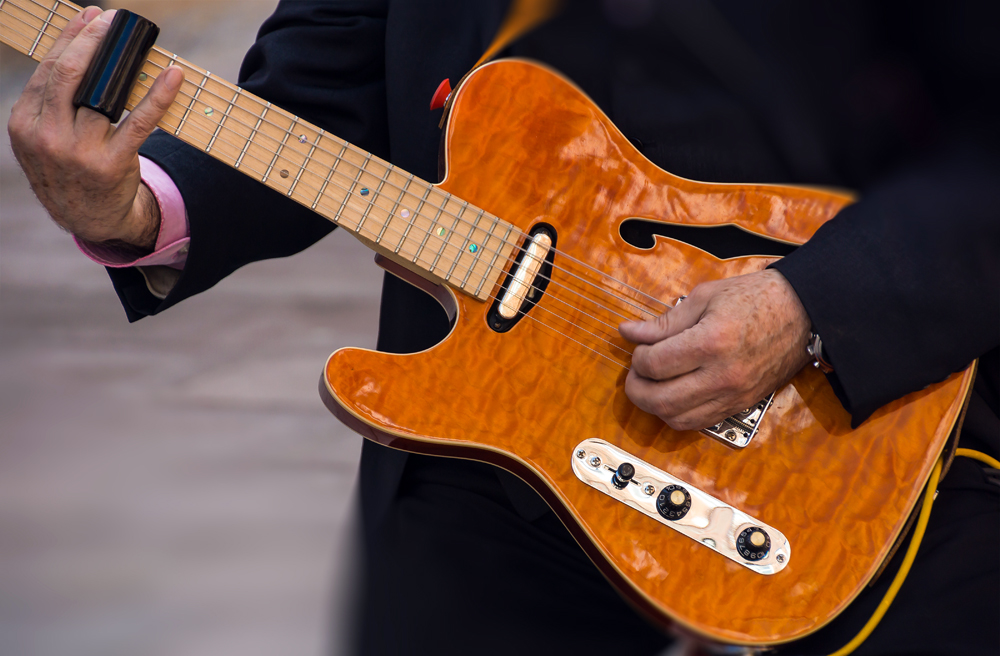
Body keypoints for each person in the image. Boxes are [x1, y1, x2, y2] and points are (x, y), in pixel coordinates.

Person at [9, 1, 998, 654]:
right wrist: (136, 209)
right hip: (483, 476)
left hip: (856, 458)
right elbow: (319, 91)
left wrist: (813, 306)